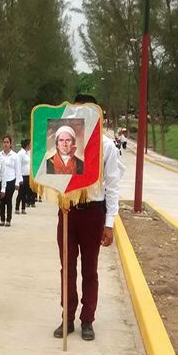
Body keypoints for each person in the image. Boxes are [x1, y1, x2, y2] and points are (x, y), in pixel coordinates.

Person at [53, 93, 120, 341]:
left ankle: (87, 319)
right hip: (68, 211)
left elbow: (112, 185)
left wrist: (109, 224)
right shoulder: (64, 142)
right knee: (67, 268)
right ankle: (67, 317)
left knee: (89, 270)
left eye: (87, 111)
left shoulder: (106, 145)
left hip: (93, 212)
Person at [0, 135, 22, 227]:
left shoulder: (15, 156)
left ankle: (8, 219)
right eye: (4, 142)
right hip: (1, 181)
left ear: (10, 143)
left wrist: (17, 182)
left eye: (7, 142)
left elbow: (18, 170)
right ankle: (2, 219)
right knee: (1, 200)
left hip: (11, 180)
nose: (5, 144)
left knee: (8, 200)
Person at [15, 138, 31, 215]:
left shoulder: (28, 153)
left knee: (25, 193)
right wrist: (19, 178)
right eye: (30, 144)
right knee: (20, 193)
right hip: (22, 176)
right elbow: (18, 166)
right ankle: (17, 207)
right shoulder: (20, 154)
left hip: (28, 175)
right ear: (27, 145)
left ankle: (23, 208)